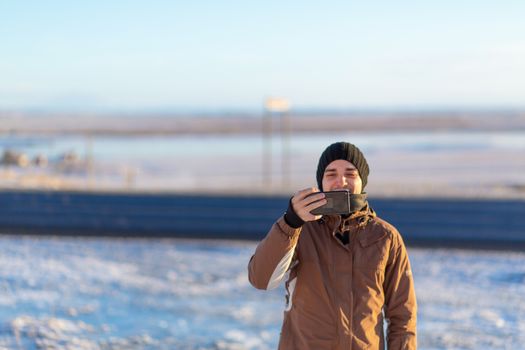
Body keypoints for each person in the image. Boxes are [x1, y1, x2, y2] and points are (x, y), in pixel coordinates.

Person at [248, 141, 417, 350]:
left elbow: (403, 317)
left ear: (362, 181)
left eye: (350, 173)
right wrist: (290, 222)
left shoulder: (386, 237)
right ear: (321, 182)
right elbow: (260, 279)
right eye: (331, 174)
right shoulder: (299, 230)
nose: (341, 181)